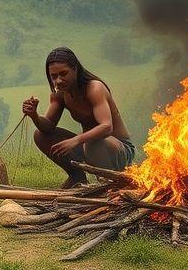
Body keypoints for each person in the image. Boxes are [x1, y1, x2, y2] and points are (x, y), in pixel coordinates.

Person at [22, 47, 135, 189]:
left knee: (93, 144)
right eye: (54, 76)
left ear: (75, 69)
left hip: (118, 149)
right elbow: (49, 126)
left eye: (63, 74)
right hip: (88, 145)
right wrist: (34, 115)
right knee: (40, 135)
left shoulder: (94, 88)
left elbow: (106, 127)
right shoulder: (59, 94)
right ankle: (77, 177)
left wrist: (75, 140)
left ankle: (111, 185)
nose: (59, 80)